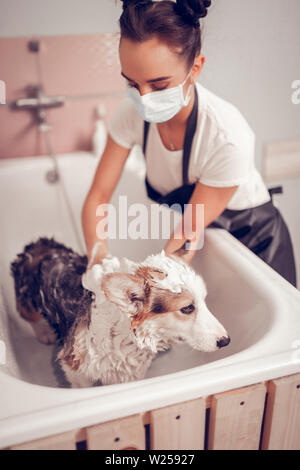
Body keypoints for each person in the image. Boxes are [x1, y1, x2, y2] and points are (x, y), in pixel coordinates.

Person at [81, 0, 297, 287]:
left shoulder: (227, 136)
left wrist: (144, 290)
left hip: (255, 247)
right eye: (133, 84)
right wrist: (98, 257)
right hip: (207, 237)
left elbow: (187, 232)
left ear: (195, 68)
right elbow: (98, 196)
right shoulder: (129, 116)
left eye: (158, 86)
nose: (143, 98)